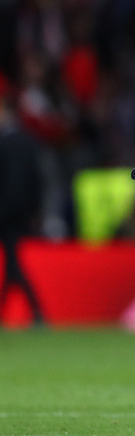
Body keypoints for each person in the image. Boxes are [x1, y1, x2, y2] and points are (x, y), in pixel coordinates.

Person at [0, 76, 46, 327]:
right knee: (12, 262)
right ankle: (34, 312)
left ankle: (37, 311)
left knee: (13, 263)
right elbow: (37, 179)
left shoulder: (5, 142)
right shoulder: (29, 142)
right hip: (23, 213)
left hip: (6, 213)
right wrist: (36, 210)